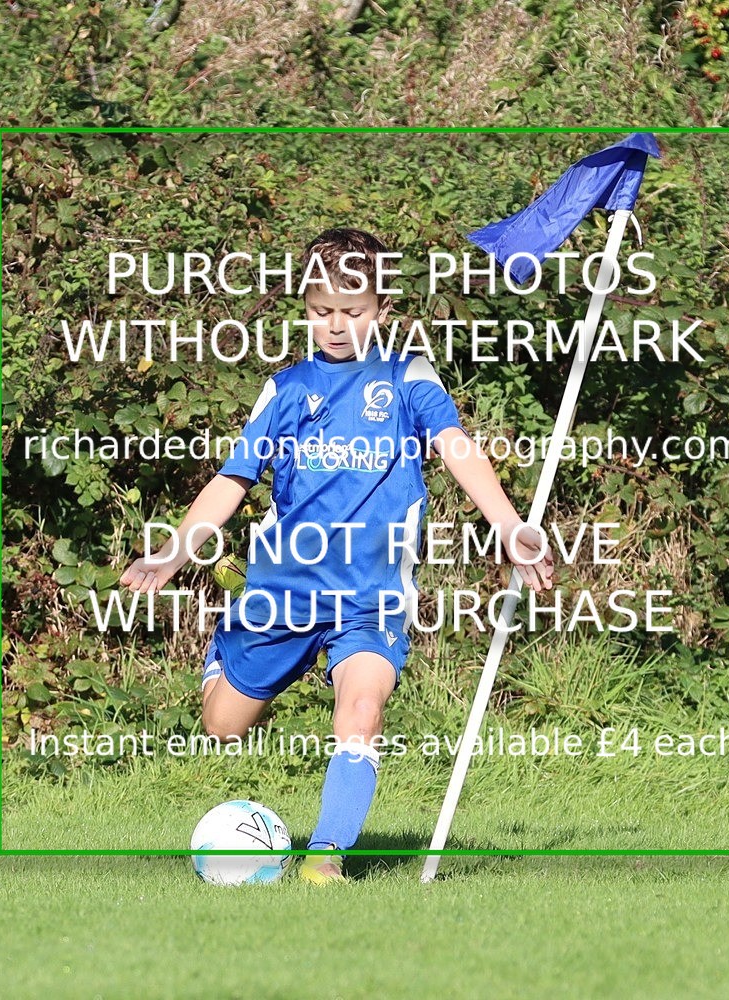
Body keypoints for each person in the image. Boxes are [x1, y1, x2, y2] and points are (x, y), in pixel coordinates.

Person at [120, 228, 553, 883]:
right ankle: (227, 657)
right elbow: (232, 480)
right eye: (322, 311)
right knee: (222, 725)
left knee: (362, 710)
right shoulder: (287, 389)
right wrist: (174, 554)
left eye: (353, 312)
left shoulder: (407, 378)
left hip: (371, 594)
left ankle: (325, 859)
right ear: (305, 305)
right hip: (285, 587)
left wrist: (508, 523)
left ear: (381, 310)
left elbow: (458, 447)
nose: (337, 325)